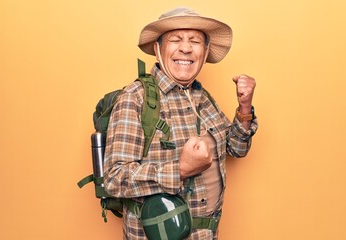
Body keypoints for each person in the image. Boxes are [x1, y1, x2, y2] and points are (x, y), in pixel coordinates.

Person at [104, 7, 258, 240]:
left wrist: (244, 108)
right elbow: (114, 179)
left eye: (194, 41)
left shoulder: (203, 98)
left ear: (204, 53)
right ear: (157, 49)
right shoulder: (135, 98)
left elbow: (236, 149)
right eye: (175, 39)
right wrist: (181, 170)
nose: (185, 48)